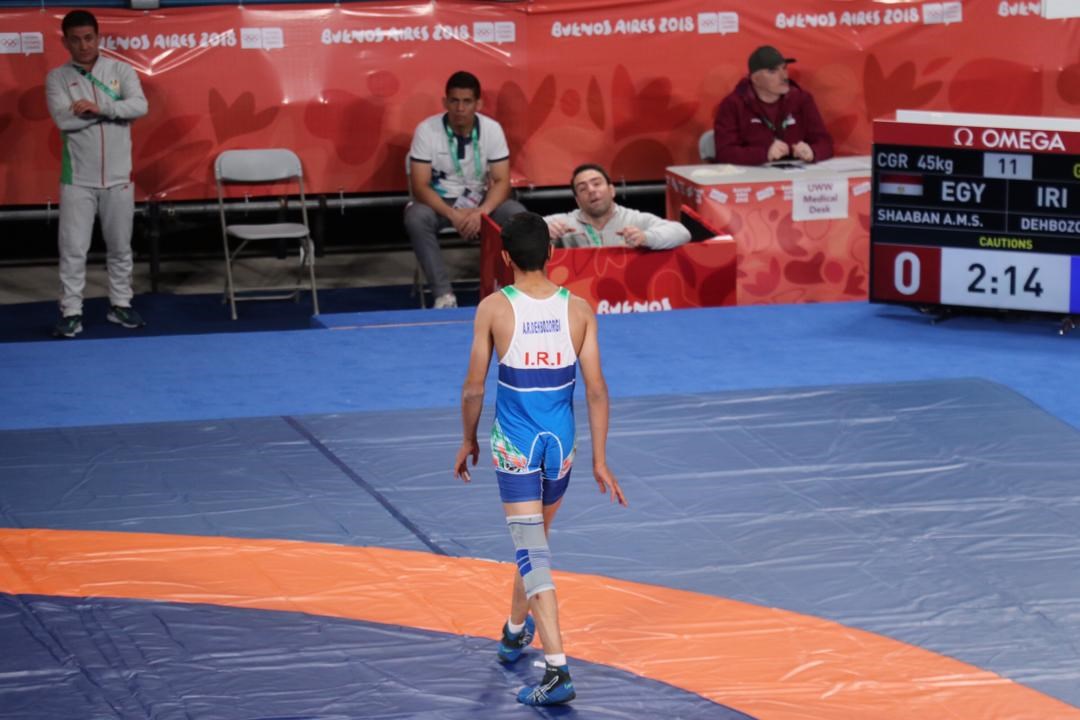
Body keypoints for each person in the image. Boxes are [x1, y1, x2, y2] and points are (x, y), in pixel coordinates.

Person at [453, 212, 627, 706]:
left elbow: (473, 388)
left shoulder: (494, 307)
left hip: (516, 444)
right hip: (561, 445)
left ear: (505, 256)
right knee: (534, 542)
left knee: (532, 550)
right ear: (551, 253)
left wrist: (468, 439)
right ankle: (514, 632)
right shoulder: (579, 309)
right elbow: (596, 389)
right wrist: (600, 459)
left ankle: (557, 670)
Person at [45, 10, 148, 338]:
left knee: (120, 247)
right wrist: (116, 112)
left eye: (89, 38)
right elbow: (64, 120)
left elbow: (139, 106)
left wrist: (99, 108)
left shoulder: (120, 70)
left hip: (119, 179)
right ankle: (71, 311)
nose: (84, 45)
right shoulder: (57, 78)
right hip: (77, 180)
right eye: (75, 40)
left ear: (98, 38)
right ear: (65, 42)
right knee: (73, 250)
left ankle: (121, 304)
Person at [406, 71, 527, 309]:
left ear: (478, 104)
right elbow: (419, 186)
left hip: (480, 201)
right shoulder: (426, 130)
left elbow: (502, 180)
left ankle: (518, 290)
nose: (460, 108)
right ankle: (443, 295)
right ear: (445, 102)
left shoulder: (492, 129)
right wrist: (453, 214)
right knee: (415, 217)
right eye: (454, 101)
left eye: (467, 101)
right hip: (440, 203)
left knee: (516, 214)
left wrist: (482, 211)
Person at [712, 45, 833, 166]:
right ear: (755, 79)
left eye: (784, 68)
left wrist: (813, 152)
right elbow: (724, 153)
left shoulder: (802, 99)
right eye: (773, 71)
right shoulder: (733, 104)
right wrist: (763, 154)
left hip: (798, 172)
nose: (784, 76)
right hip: (754, 172)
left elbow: (825, 142)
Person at [544, 164, 690, 249]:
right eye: (583, 189)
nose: (591, 190)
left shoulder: (634, 219)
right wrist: (542, 233)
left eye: (596, 184)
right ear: (577, 201)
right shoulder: (564, 222)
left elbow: (682, 233)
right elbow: (529, 228)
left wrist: (645, 238)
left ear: (612, 190)